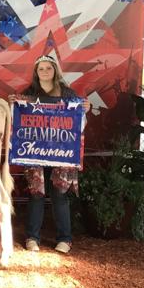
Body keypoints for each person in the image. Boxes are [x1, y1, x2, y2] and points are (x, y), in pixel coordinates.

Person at [15, 54, 89, 254]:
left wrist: (84, 110)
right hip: (36, 150)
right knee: (36, 194)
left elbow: (79, 123)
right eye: (41, 68)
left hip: (61, 151)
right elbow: (18, 117)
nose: (45, 71)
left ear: (55, 70)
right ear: (36, 72)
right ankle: (32, 237)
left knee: (60, 194)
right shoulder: (29, 93)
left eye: (49, 68)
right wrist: (13, 104)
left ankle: (65, 239)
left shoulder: (68, 94)